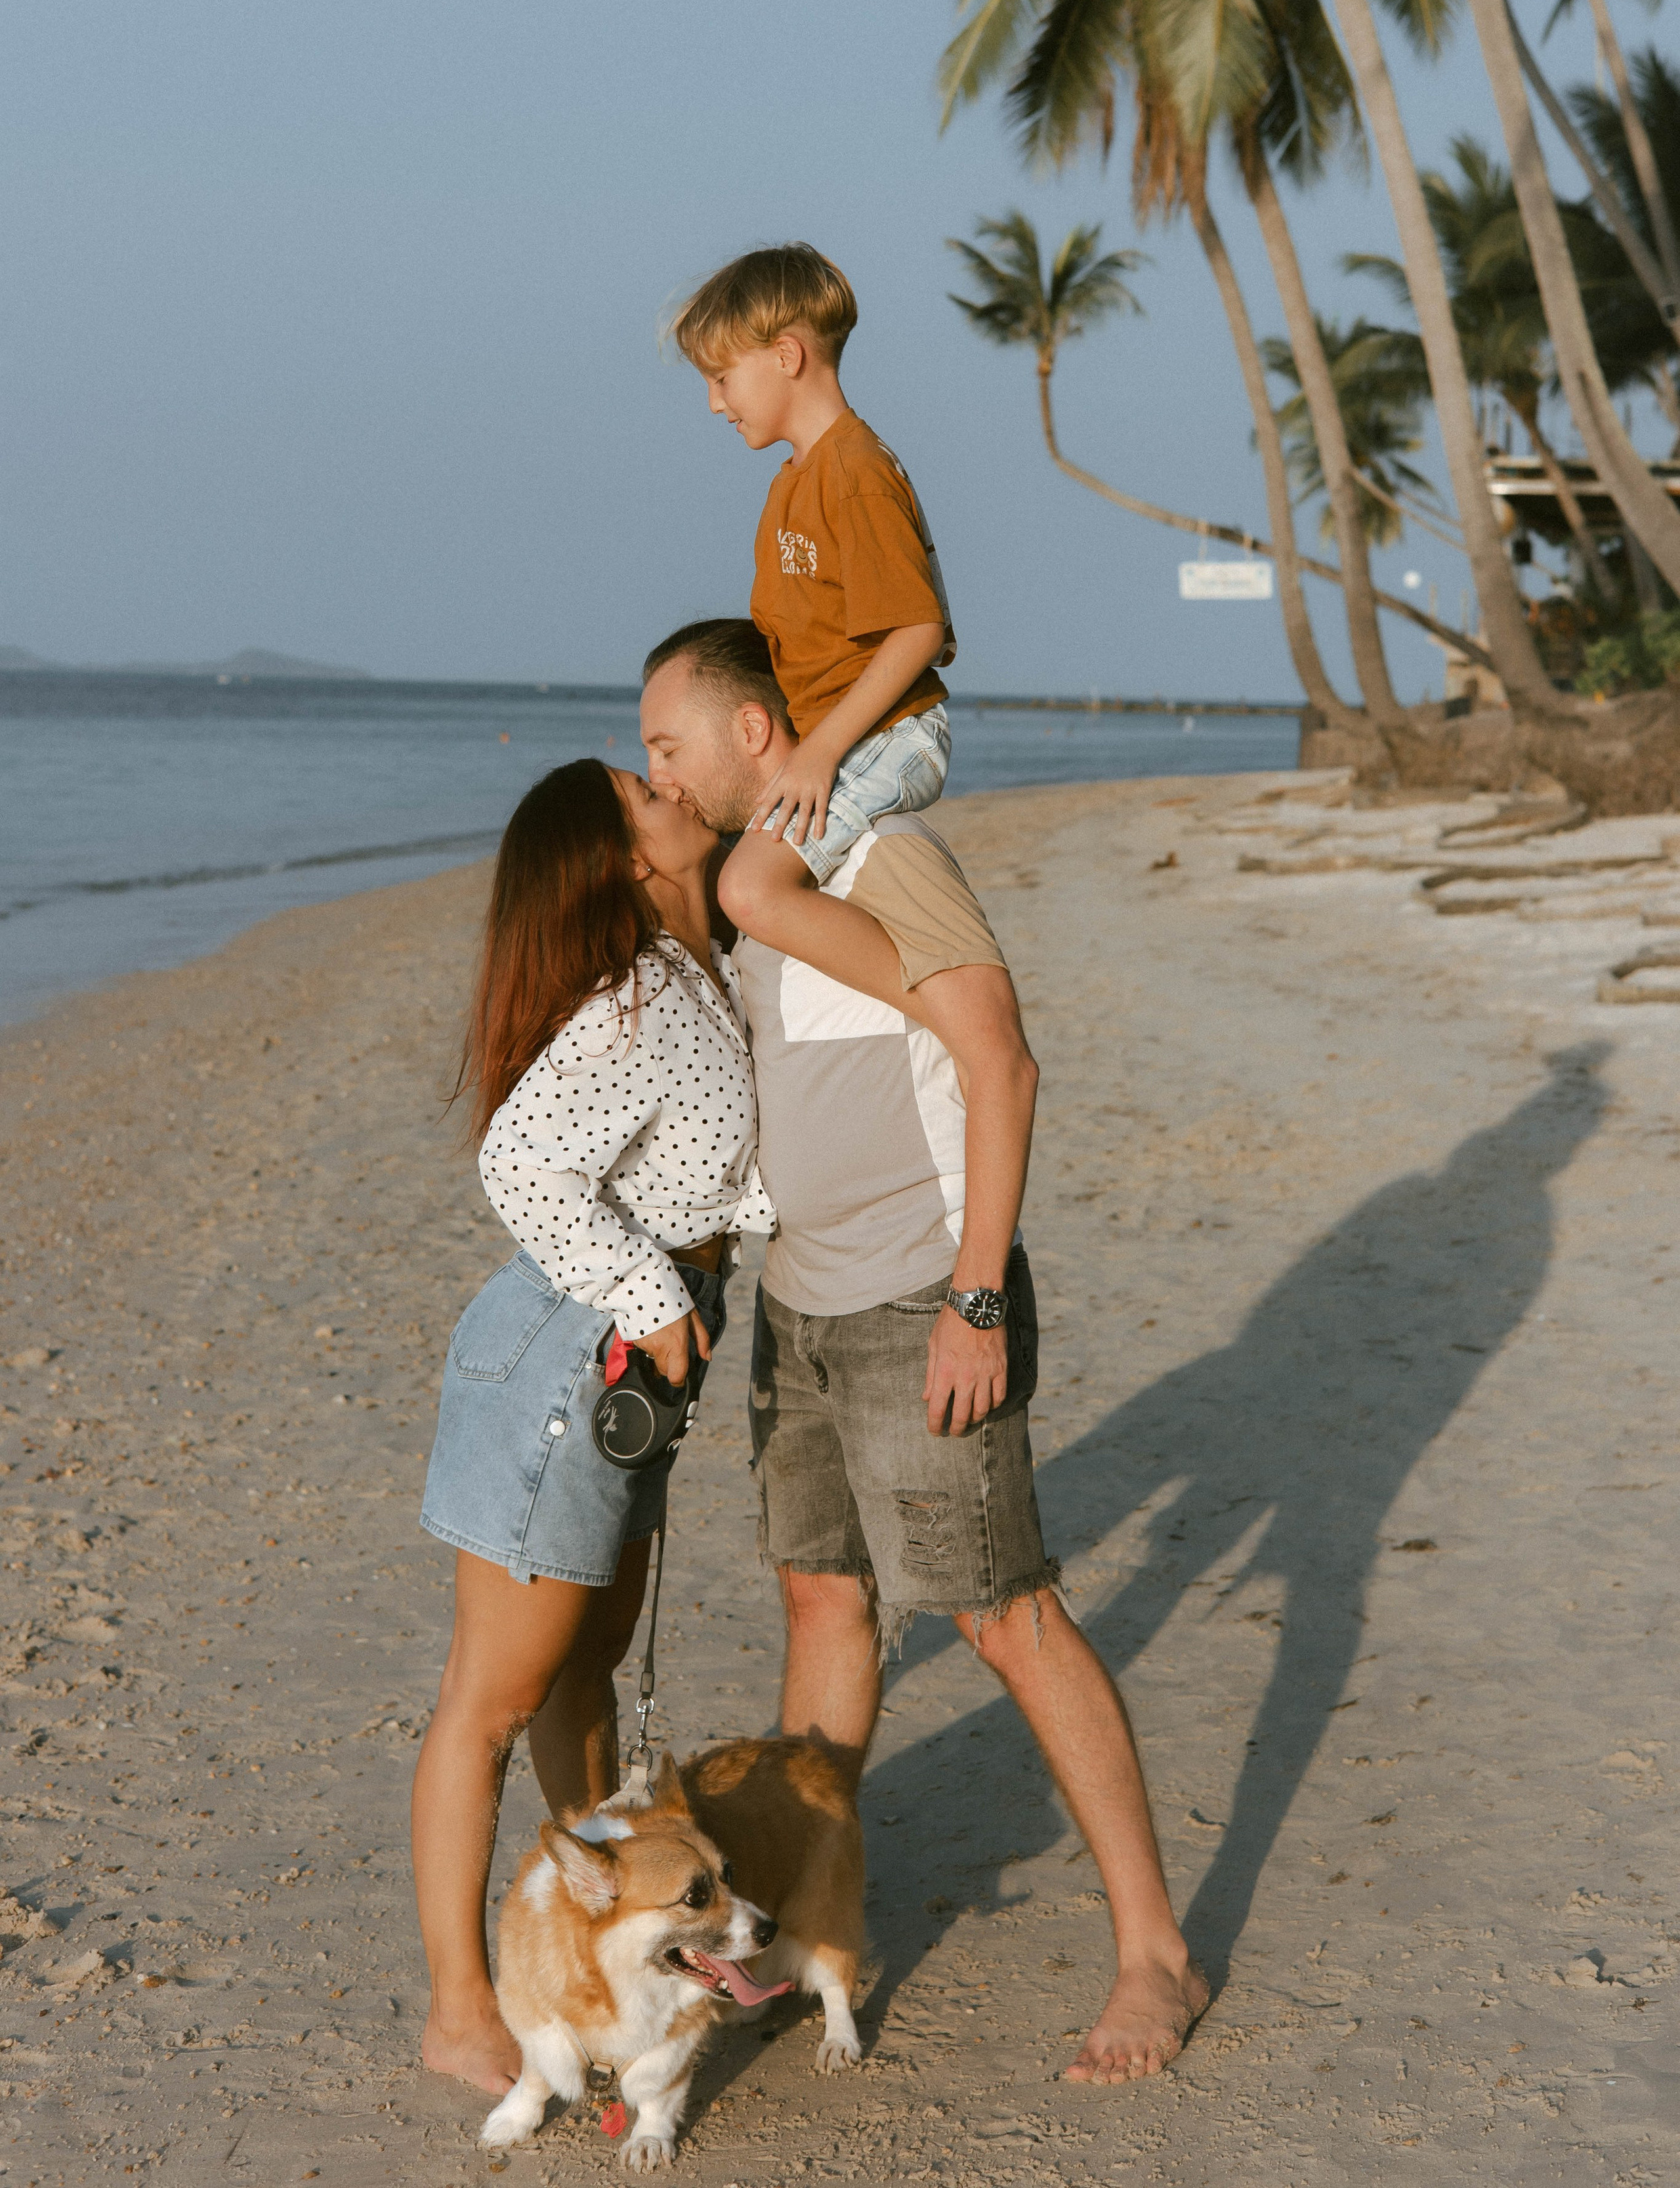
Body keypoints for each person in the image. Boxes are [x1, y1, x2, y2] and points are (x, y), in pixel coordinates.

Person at [640, 621, 1209, 2084]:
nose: (657, 767)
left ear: (753, 731)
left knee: (1003, 1612)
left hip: (917, 1300)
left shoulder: (876, 852)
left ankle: (1153, 1951)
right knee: (821, 1603)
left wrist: (975, 1299)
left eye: (665, 743)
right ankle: (790, 1919)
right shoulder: (748, 886)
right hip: (803, 1303)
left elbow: (999, 1056)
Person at [410, 757, 774, 2098]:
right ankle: (460, 2011)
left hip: (624, 1371)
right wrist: (647, 1288)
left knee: (585, 1676)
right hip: (566, 1367)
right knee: (491, 1701)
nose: (673, 781)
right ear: (625, 857)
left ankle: (583, 1959)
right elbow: (518, 1161)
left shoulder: (698, 966)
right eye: (645, 786)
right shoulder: (635, 1000)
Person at [667, 242, 959, 1001]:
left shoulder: (856, 472)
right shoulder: (790, 486)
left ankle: (942, 1005)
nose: (713, 403)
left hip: (893, 733)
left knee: (748, 889)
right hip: (844, 735)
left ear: (786, 355)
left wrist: (819, 752)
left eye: (721, 377)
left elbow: (918, 629)